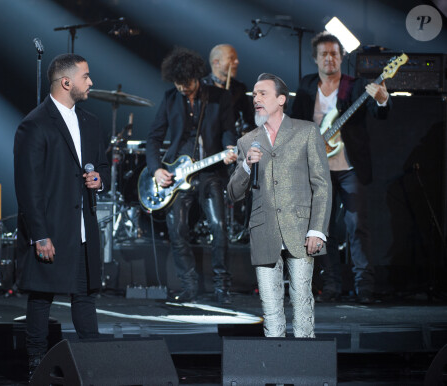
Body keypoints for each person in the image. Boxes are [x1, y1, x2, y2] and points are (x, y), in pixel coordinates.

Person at [13, 53, 110, 379]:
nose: (91, 82)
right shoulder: (35, 124)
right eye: (86, 76)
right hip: (51, 230)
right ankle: (36, 366)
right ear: (66, 82)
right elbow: (28, 187)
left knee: (84, 296)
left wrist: (101, 179)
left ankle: (93, 361)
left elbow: (102, 166)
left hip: (82, 226)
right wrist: (39, 234)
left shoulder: (91, 123)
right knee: (41, 298)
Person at [227, 73, 331, 338]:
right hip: (264, 230)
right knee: (271, 309)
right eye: (254, 94)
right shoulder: (247, 140)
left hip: (300, 228)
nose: (256, 98)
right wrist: (246, 166)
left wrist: (317, 230)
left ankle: (304, 366)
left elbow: (321, 184)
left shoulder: (306, 131)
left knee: (302, 301)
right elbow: (233, 193)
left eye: (263, 93)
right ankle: (275, 367)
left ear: (281, 99)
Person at [290, 32, 391, 304]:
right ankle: (332, 286)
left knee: (357, 224)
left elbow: (379, 113)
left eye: (334, 53)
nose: (329, 58)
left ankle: (364, 288)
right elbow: (295, 125)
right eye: (324, 54)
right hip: (318, 169)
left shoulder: (355, 86)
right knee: (325, 230)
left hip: (349, 167)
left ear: (341, 57)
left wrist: (382, 98)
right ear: (315, 59)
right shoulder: (307, 85)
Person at [146, 46, 238, 305]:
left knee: (219, 228)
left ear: (196, 77)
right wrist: (157, 169)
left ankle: (222, 287)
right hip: (177, 175)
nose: (181, 88)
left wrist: (231, 149)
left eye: (185, 83)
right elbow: (154, 138)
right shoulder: (169, 98)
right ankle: (188, 286)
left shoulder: (220, 97)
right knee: (177, 230)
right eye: (177, 83)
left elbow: (229, 132)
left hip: (209, 172)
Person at [203, 44, 255, 136]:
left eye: (236, 58)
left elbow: (248, 119)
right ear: (216, 62)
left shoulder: (239, 88)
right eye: (231, 58)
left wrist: (246, 131)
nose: (237, 62)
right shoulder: (202, 87)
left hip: (231, 140)